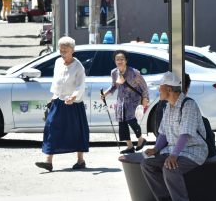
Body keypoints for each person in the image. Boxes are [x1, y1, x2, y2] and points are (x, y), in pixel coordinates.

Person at [141, 72, 207, 201]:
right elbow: (163, 132)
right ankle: (167, 199)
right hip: (173, 149)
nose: (159, 91)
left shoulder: (188, 104)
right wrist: (156, 149)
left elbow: (185, 133)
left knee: (170, 168)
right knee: (147, 164)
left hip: (193, 150)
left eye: (161, 88)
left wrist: (173, 155)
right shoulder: (167, 107)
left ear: (169, 90)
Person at [36, 36, 89, 171]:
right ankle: (48, 160)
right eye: (61, 50)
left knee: (76, 131)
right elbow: (56, 81)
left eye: (65, 51)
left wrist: (73, 97)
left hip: (74, 103)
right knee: (51, 126)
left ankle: (80, 160)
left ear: (72, 50)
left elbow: (80, 85)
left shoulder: (78, 67)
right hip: (59, 101)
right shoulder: (58, 62)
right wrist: (54, 95)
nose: (62, 53)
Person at [100, 50, 149, 154]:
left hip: (133, 100)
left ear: (126, 60)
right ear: (115, 61)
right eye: (117, 59)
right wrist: (105, 94)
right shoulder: (114, 72)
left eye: (122, 59)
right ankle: (129, 146)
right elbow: (114, 86)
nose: (120, 61)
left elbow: (144, 87)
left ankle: (141, 139)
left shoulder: (134, 72)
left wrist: (145, 99)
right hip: (121, 101)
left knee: (131, 121)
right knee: (122, 123)